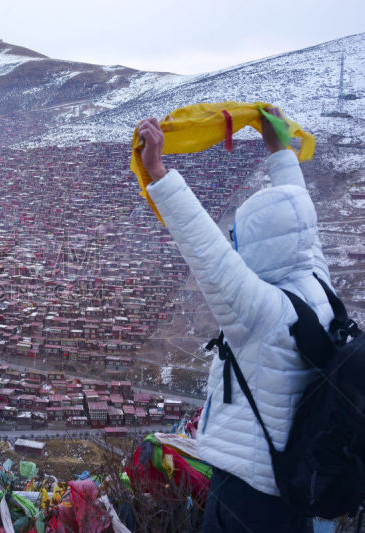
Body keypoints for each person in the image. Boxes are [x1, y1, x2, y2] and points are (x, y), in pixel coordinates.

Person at [137, 108, 334, 532]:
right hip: (295, 485)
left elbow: (206, 250)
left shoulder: (261, 311)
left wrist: (157, 170)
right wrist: (278, 148)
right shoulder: (320, 286)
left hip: (248, 491)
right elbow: (302, 221)